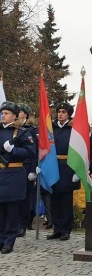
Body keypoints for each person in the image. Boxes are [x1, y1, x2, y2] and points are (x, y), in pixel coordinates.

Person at [0, 101, 36, 254]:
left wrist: (13, 149)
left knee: (12, 210)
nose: (3, 115)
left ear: (14, 116)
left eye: (6, 113)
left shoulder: (21, 132)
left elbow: (30, 152)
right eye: (2, 113)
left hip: (14, 175)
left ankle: (9, 241)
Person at [46, 102, 80, 241]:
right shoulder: (51, 128)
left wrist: (77, 171)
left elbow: (79, 150)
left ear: (69, 114)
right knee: (54, 201)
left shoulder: (73, 129)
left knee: (65, 202)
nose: (60, 114)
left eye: (63, 112)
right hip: (53, 166)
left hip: (68, 167)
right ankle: (57, 228)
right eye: (59, 111)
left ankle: (66, 229)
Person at [16, 103, 38, 237]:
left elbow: (35, 150)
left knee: (25, 197)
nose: (17, 113)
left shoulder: (31, 129)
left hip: (27, 166)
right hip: (12, 167)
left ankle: (23, 224)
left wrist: (34, 170)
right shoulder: (13, 128)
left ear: (25, 114)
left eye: (20, 111)